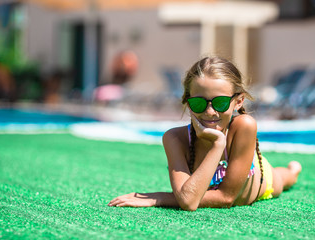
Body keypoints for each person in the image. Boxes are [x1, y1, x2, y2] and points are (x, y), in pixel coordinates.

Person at [109, 56, 302, 211]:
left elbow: (224, 198)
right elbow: (188, 200)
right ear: (187, 101)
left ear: (239, 101)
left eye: (220, 103)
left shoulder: (244, 126)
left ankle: (293, 169)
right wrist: (217, 145)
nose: (210, 112)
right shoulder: (175, 139)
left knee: (284, 179)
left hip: (264, 180)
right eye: (199, 103)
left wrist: (159, 197)